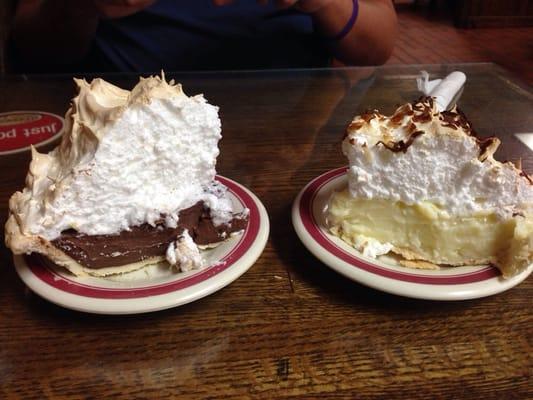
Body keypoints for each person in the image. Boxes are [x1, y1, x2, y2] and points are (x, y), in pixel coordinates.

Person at [10, 0, 397, 73]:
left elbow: (377, 46)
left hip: (286, 132)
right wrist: (80, 5)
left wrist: (327, 4)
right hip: (120, 120)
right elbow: (31, 48)